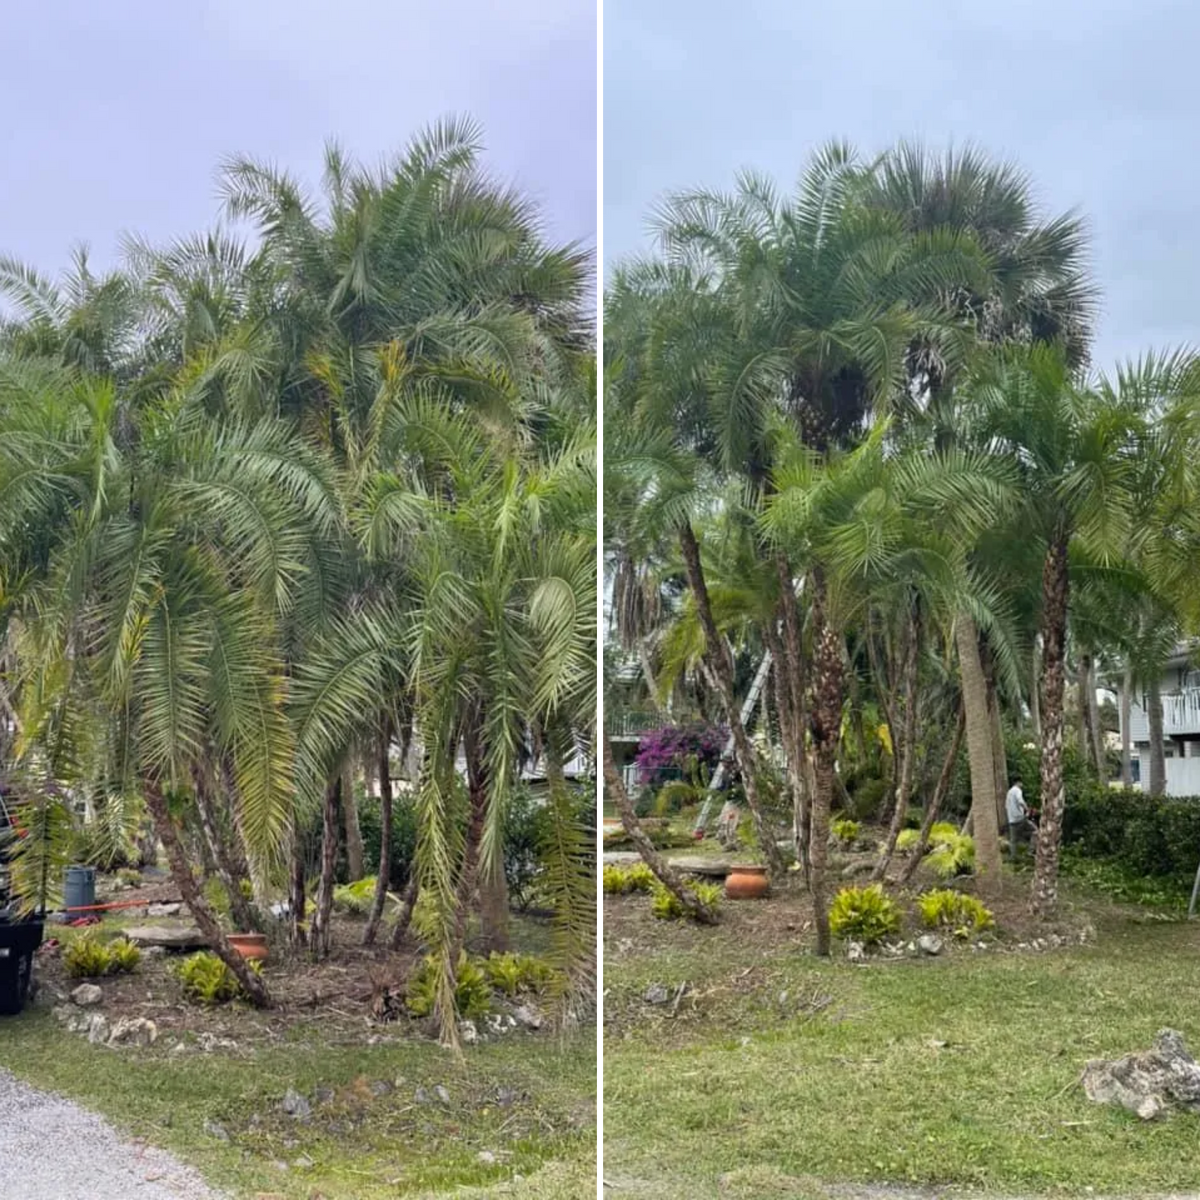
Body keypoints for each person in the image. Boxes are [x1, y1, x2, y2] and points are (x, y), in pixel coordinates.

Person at [1005, 778, 1035, 858]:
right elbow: (1020, 801)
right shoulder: (1017, 790)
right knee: (1035, 831)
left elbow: (1006, 806)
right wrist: (1027, 810)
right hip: (1020, 818)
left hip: (1011, 820)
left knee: (1013, 841)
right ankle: (1030, 851)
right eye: (1021, 783)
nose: (1022, 785)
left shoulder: (1009, 792)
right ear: (1018, 782)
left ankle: (1013, 858)